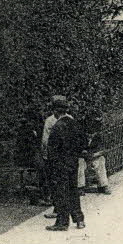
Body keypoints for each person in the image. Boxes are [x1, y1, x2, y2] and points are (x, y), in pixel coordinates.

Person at [44, 96, 86, 231]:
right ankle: (79, 220)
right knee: (73, 190)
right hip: (73, 162)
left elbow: (51, 148)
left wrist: (51, 163)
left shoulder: (57, 126)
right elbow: (82, 143)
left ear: (56, 111)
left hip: (60, 164)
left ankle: (62, 223)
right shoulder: (74, 124)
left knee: (61, 192)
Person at [76, 113, 111, 195]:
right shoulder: (80, 135)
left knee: (101, 160)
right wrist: (87, 154)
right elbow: (77, 150)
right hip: (83, 158)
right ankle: (80, 187)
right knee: (80, 162)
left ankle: (103, 185)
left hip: (94, 156)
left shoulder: (98, 136)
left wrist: (95, 154)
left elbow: (103, 149)